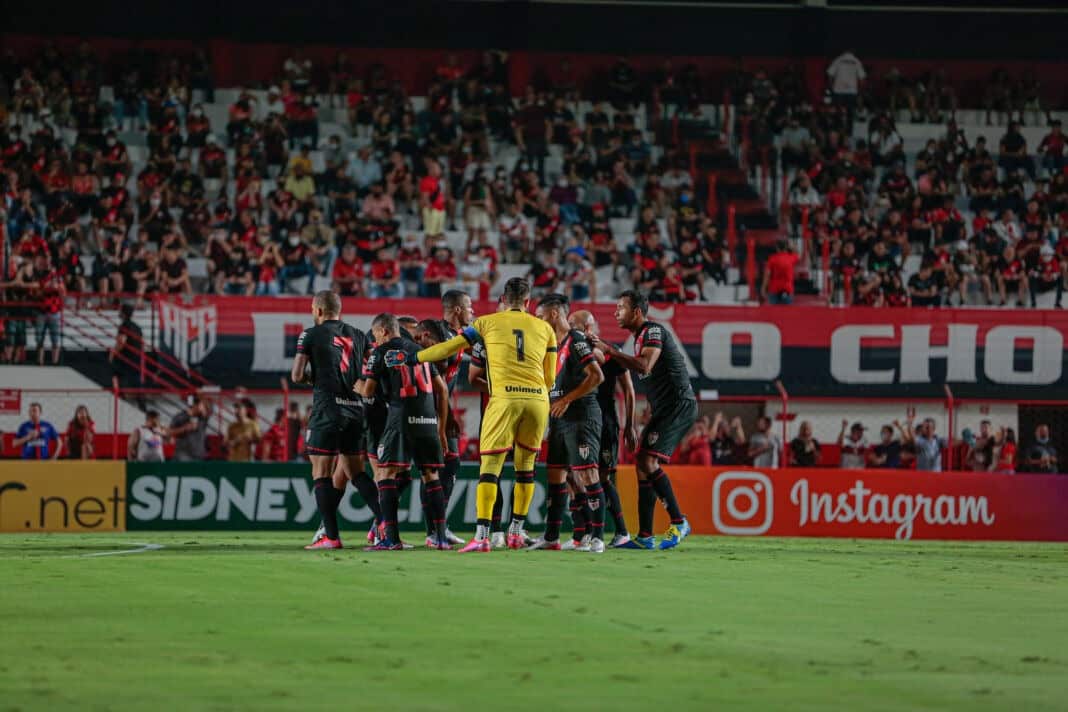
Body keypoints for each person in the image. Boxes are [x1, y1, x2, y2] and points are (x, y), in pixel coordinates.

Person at [407, 277, 557, 553]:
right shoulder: (546, 328)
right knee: (526, 469)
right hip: (538, 401)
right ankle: (515, 531)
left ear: (504, 298)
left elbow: (451, 348)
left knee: (490, 469)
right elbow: (550, 376)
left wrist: (415, 357)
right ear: (528, 302)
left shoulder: (487, 323)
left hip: (504, 399)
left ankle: (482, 536)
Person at [589, 289, 694, 550]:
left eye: (621, 307)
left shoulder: (653, 331)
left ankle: (679, 521)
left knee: (647, 459)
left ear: (637, 311)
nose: (616, 312)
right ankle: (645, 536)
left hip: (678, 405)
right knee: (641, 463)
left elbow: (644, 366)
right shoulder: (639, 338)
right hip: (664, 408)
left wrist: (609, 351)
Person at [360, 313, 451, 550]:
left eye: (376, 335)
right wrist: (441, 429)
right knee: (430, 476)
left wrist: (356, 384)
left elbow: (368, 391)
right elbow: (442, 389)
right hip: (428, 420)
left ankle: (391, 538)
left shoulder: (380, 352)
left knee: (386, 474)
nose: (376, 339)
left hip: (401, 419)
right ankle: (440, 538)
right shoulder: (421, 351)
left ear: (384, 331)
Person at [290, 291, 371, 550]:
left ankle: (331, 537)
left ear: (318, 310)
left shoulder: (311, 333)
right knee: (357, 473)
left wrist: (317, 379)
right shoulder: (359, 334)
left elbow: (297, 375)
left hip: (327, 411)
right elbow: (369, 371)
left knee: (321, 473)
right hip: (356, 410)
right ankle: (387, 528)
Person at [525, 294, 605, 552]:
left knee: (587, 474)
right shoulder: (553, 345)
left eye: (540, 316)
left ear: (554, 315)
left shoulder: (576, 340)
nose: (538, 321)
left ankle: (597, 537)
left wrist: (567, 399)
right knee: (556, 476)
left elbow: (597, 376)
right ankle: (551, 537)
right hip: (558, 419)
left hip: (581, 416)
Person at [410, 289, 477, 547]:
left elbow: (479, 343)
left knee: (447, 467)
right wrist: (442, 422)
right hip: (429, 411)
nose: (473, 312)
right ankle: (432, 530)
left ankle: (439, 527)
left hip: (443, 409)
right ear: (458, 309)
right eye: (469, 307)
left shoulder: (459, 337)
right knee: (431, 470)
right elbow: (433, 380)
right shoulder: (437, 333)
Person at [570, 309, 636, 547]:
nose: (569, 329)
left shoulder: (610, 350)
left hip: (606, 422)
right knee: (576, 475)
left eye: (573, 324)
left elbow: (628, 389)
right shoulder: (572, 351)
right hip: (581, 421)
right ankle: (584, 533)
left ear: (588, 327)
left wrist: (630, 425)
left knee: (603, 478)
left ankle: (621, 532)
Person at [169, 396, 212, 462]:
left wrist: (201, 396)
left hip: (199, 455)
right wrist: (184, 428)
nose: (202, 409)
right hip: (183, 455)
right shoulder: (180, 417)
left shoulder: (202, 418)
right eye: (201, 406)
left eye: (203, 407)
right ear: (194, 405)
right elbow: (169, 432)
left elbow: (209, 411)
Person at [763, 240, 798, 305]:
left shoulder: (772, 259)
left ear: (777, 248)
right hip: (788, 289)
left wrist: (763, 288)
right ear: (786, 248)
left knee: (773, 313)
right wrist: (792, 247)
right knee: (787, 313)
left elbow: (767, 274)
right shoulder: (791, 258)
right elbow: (797, 254)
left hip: (774, 289)